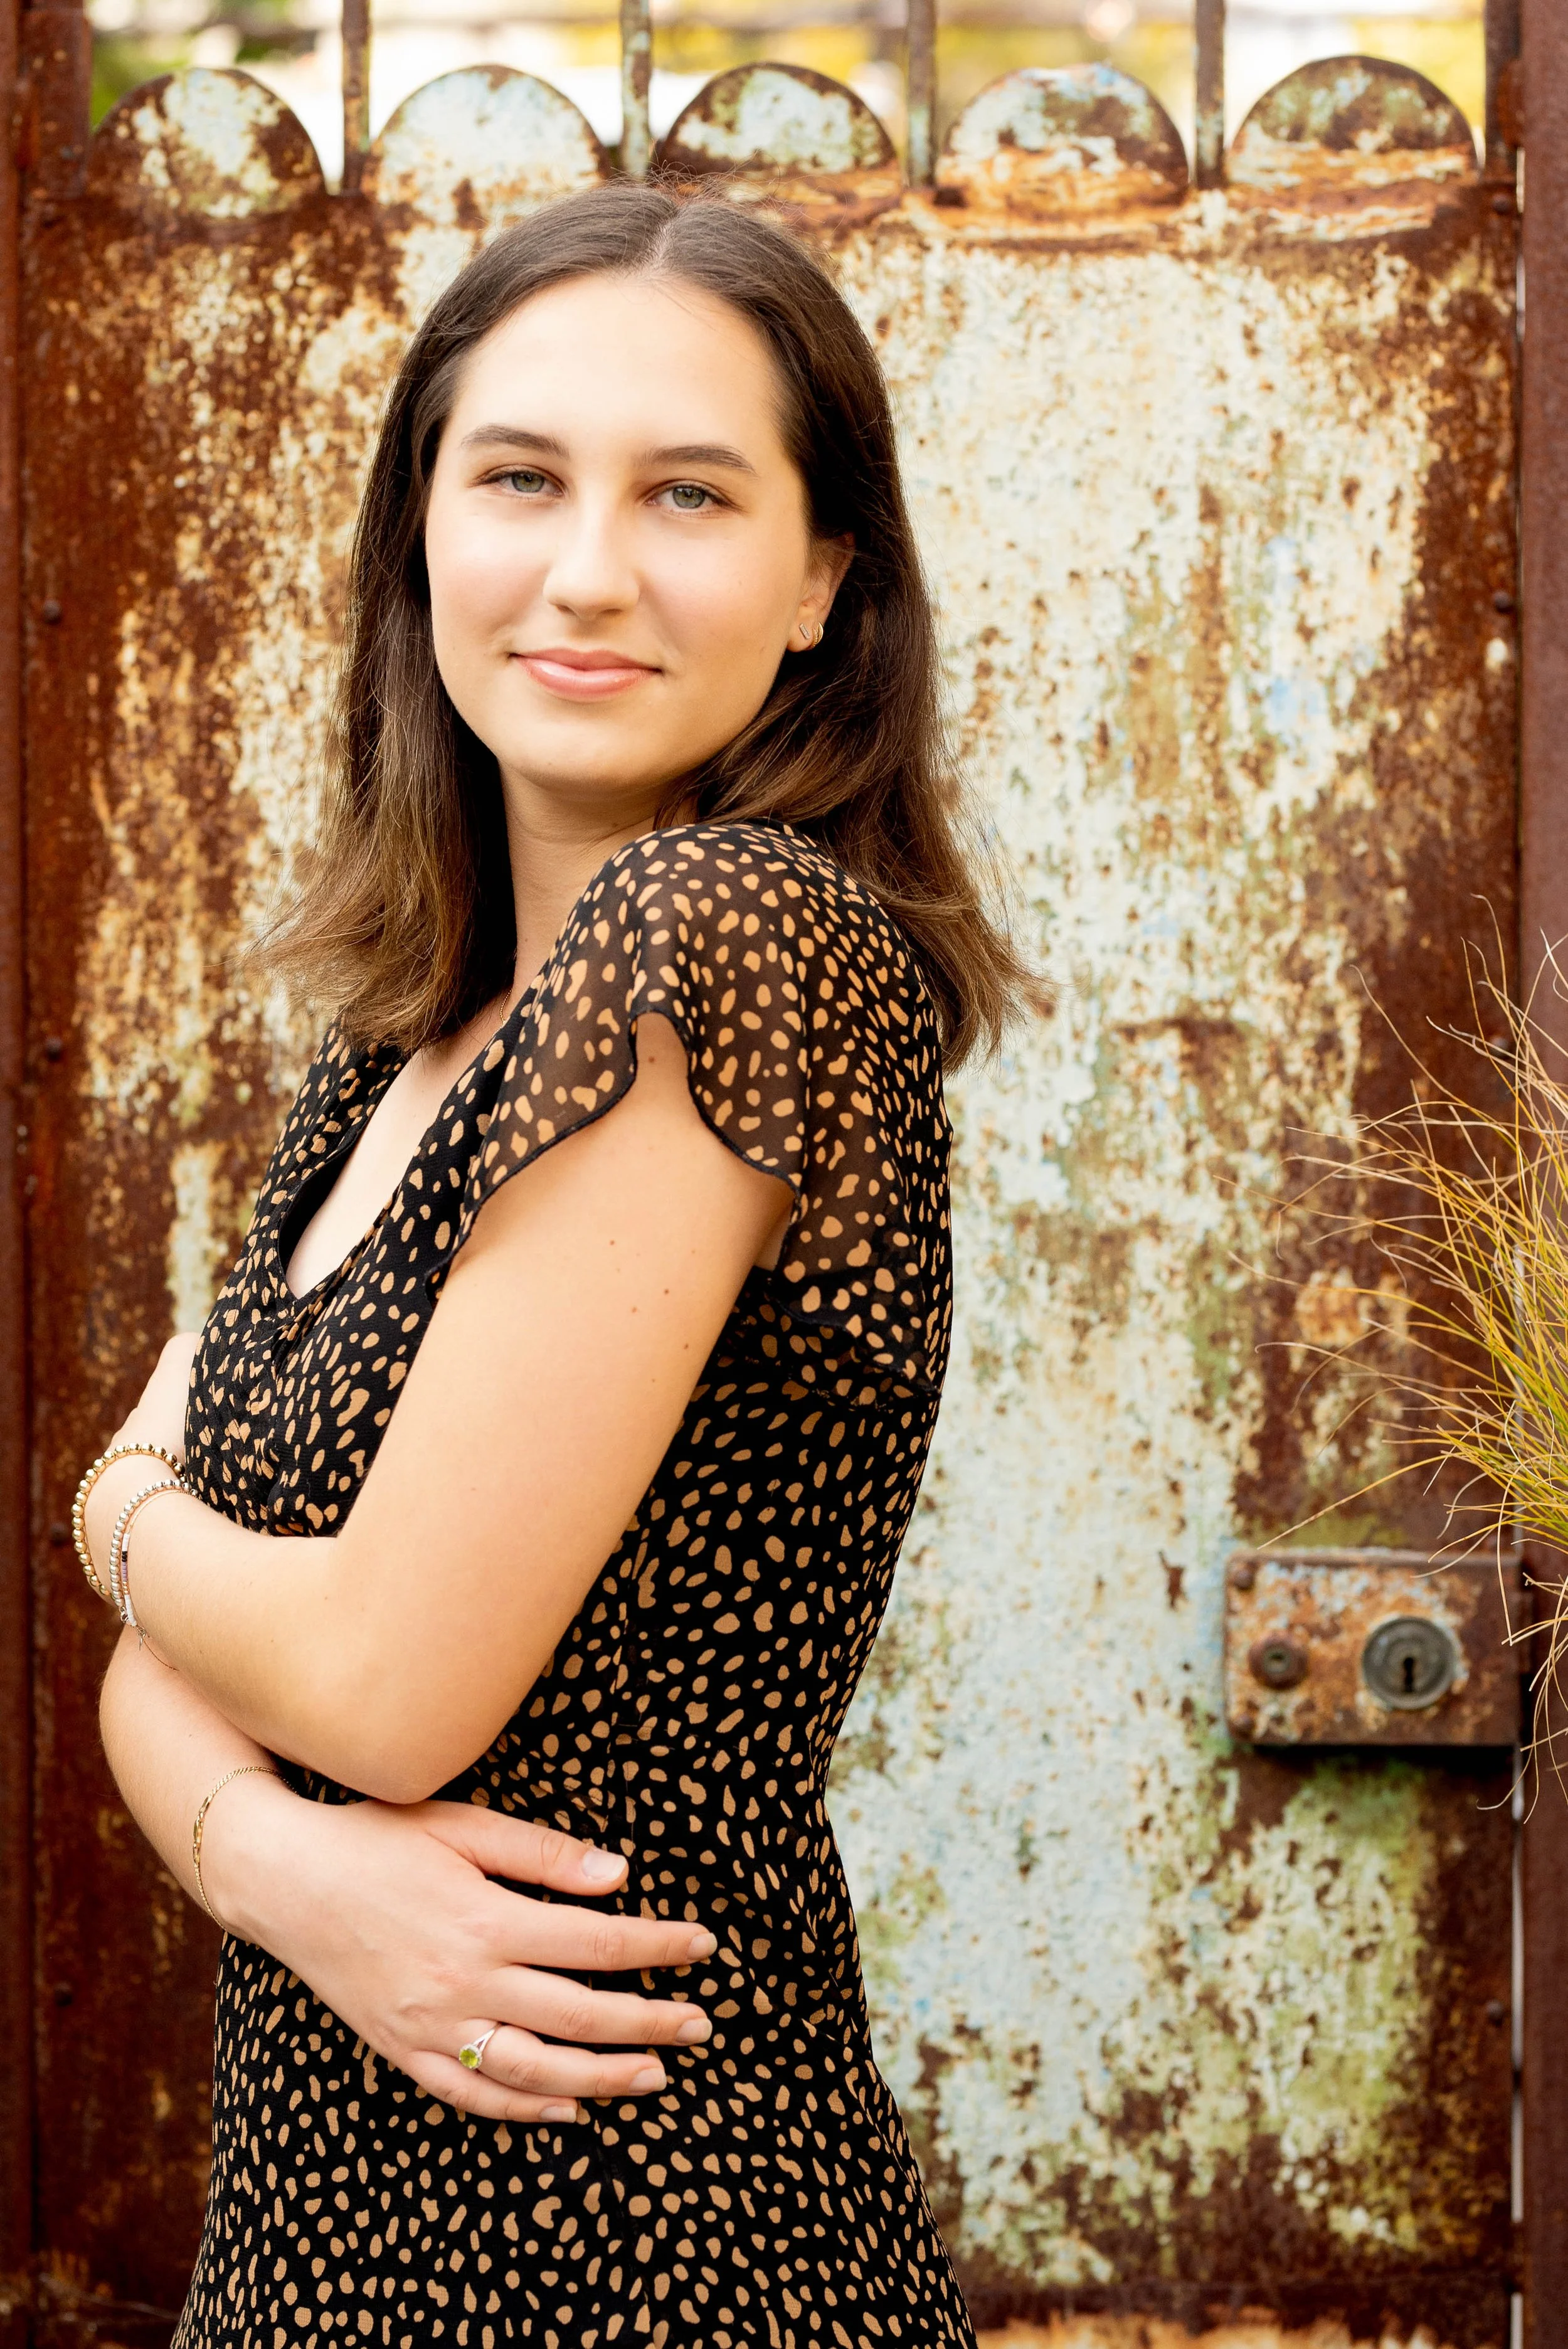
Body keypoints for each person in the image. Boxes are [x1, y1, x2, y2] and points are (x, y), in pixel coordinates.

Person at [77, 181, 1027, 2348]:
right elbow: (196, 1664)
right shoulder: (403, 1045)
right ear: (421, 529)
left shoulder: (729, 940)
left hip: (635, 2242)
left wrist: (113, 1519)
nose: (586, 568)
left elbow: (377, 1681)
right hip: (336, 2238)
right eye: (517, 476)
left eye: (687, 493)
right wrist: (284, 1867)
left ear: (818, 581)